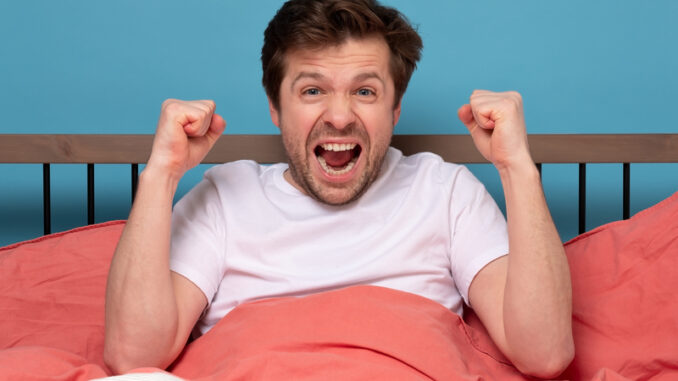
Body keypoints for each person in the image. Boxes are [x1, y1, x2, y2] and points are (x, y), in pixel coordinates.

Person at [104, 0, 574, 378]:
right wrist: (161, 173)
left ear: (394, 110)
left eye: (365, 92)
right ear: (275, 107)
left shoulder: (445, 190)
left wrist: (516, 168)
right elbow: (134, 356)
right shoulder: (224, 196)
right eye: (312, 91)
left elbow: (544, 354)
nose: (341, 116)